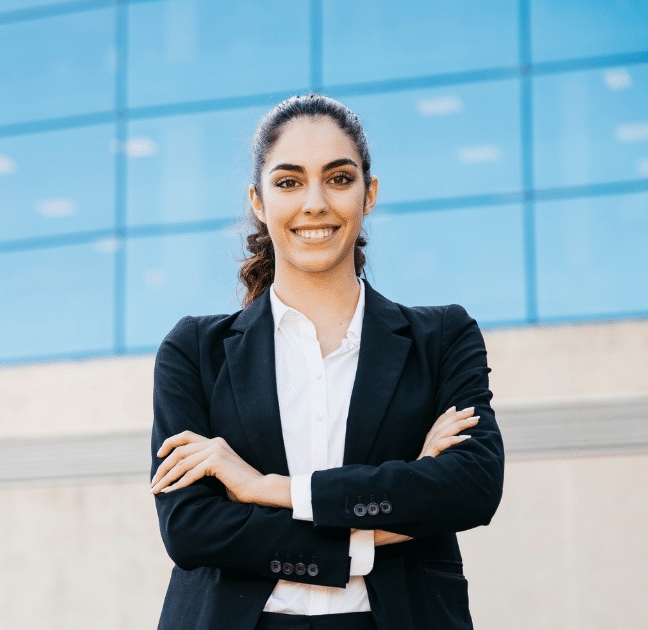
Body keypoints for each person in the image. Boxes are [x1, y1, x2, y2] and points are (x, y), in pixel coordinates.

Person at [148, 94, 504, 630]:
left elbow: (471, 488)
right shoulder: (195, 351)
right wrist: (394, 509)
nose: (315, 202)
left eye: (339, 178)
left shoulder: (442, 337)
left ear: (370, 194)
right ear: (259, 201)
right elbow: (192, 527)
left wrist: (267, 489)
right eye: (289, 182)